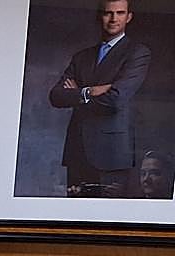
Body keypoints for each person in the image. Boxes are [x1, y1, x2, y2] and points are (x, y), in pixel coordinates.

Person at [48, 0, 151, 197]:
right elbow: (56, 96)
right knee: (74, 217)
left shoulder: (137, 53)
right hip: (78, 151)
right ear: (99, 16)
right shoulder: (82, 57)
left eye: (120, 13)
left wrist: (77, 94)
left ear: (129, 17)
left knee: (108, 218)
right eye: (108, 13)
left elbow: (115, 100)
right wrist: (90, 91)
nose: (113, 19)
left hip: (112, 153)